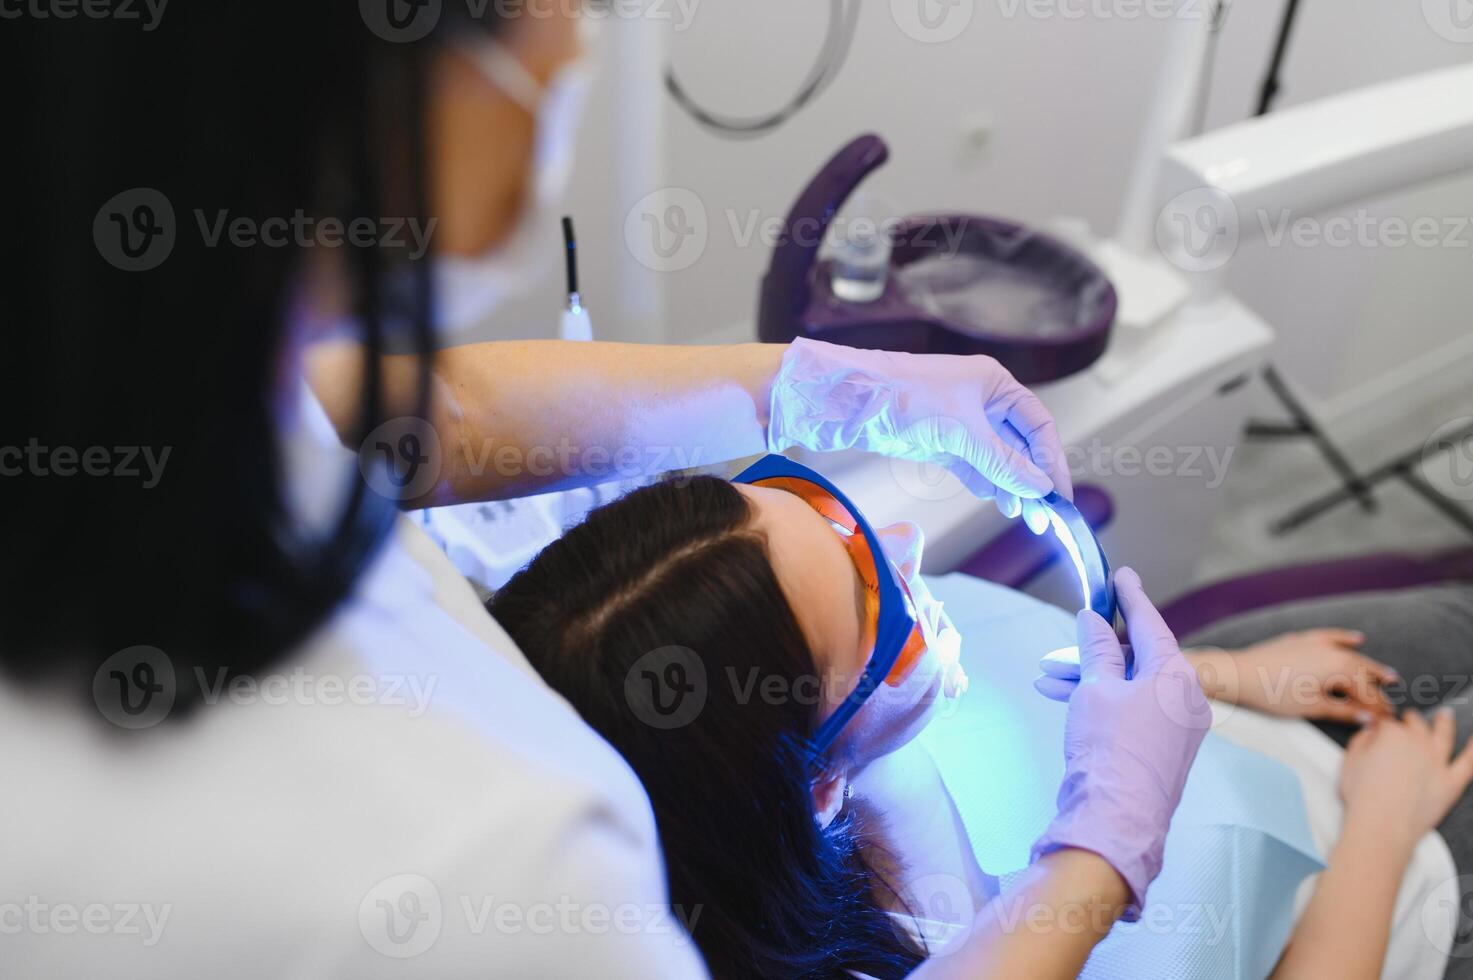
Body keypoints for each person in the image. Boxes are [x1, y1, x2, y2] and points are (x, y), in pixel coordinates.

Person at [3, 4, 1201, 978]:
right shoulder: (511, 879)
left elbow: (426, 417)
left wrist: (825, 393)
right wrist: (1094, 856)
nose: (577, 32)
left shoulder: (146, 409)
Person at [489, 464, 1473, 978]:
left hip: (1262, 719)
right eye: (870, 599)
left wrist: (1227, 674)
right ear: (819, 783)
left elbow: (1037, 664)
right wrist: (1385, 830)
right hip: (1381, 877)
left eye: (824, 507)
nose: (906, 542)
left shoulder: (858, 705)